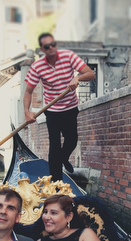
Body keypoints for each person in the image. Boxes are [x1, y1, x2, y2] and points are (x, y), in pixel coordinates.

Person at [23, 33, 96, 182]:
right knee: (54, 146)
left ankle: (63, 159)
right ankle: (55, 183)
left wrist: (77, 77)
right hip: (52, 111)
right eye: (47, 46)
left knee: (72, 141)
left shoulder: (68, 56)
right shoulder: (38, 66)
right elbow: (28, 91)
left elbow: (91, 74)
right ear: (42, 49)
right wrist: (26, 111)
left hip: (70, 107)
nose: (51, 48)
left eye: (53, 44)